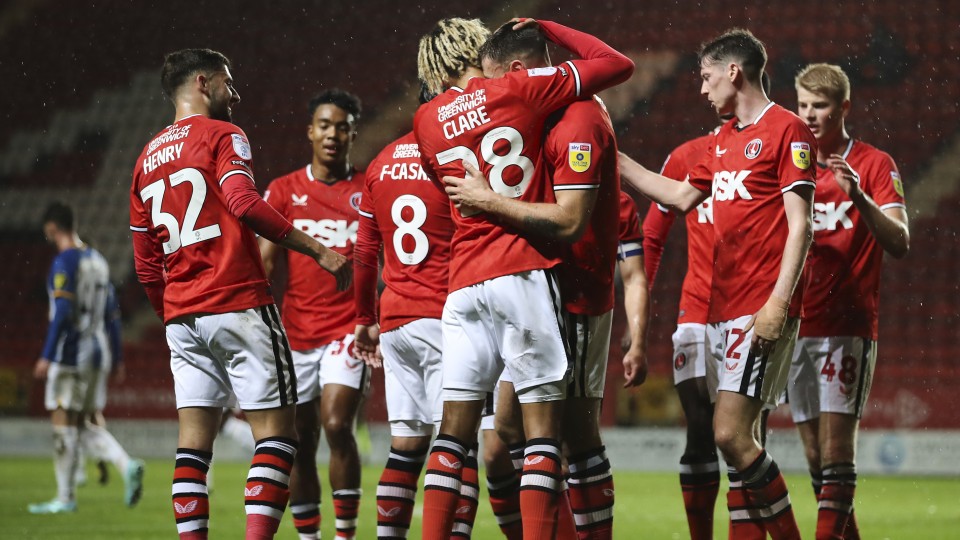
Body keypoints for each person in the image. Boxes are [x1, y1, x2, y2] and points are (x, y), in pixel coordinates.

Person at [414, 17, 634, 539]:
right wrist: (546, 26)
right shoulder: (518, 92)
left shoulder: (425, 117)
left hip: (463, 283)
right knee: (543, 438)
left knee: (454, 437)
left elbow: (451, 189)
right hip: (526, 274)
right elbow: (616, 64)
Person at [130, 48, 350, 540]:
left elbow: (146, 264)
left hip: (182, 316)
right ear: (202, 83)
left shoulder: (145, 160)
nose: (236, 93)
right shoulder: (223, 135)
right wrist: (319, 250)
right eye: (228, 82)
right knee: (277, 438)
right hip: (237, 301)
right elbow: (244, 202)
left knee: (193, 450)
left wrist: (172, 315)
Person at [618, 28, 816, 539]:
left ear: (734, 71)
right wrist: (616, 159)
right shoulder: (723, 140)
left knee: (729, 433)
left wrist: (777, 304)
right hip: (720, 312)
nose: (702, 89)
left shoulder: (788, 130)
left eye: (707, 77)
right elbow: (680, 197)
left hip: (760, 308)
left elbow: (802, 226)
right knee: (733, 438)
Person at [788, 63, 909, 540]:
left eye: (819, 106)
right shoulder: (790, 163)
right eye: (802, 105)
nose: (809, 115)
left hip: (847, 327)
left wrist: (858, 195)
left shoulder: (875, 164)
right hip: (797, 327)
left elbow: (899, 241)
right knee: (816, 459)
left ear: (844, 108)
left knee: (837, 454)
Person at [260, 88, 368, 540]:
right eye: (325, 125)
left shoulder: (368, 190)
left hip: (347, 331)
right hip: (297, 333)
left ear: (352, 134)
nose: (332, 135)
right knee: (299, 443)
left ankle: (345, 535)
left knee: (337, 424)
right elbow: (264, 262)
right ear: (310, 132)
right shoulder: (284, 191)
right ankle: (310, 537)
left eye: (342, 127)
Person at [351, 85, 458, 539]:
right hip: (443, 317)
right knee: (456, 445)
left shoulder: (381, 163)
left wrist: (365, 319)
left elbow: (364, 250)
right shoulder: (452, 158)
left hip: (395, 321)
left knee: (407, 446)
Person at [28, 203, 145, 514]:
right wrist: (117, 358)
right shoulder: (98, 261)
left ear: (52, 227)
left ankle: (65, 497)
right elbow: (113, 317)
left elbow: (63, 311)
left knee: (63, 422)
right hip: (98, 352)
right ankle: (125, 465)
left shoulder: (65, 261)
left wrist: (47, 355)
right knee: (80, 423)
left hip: (71, 352)